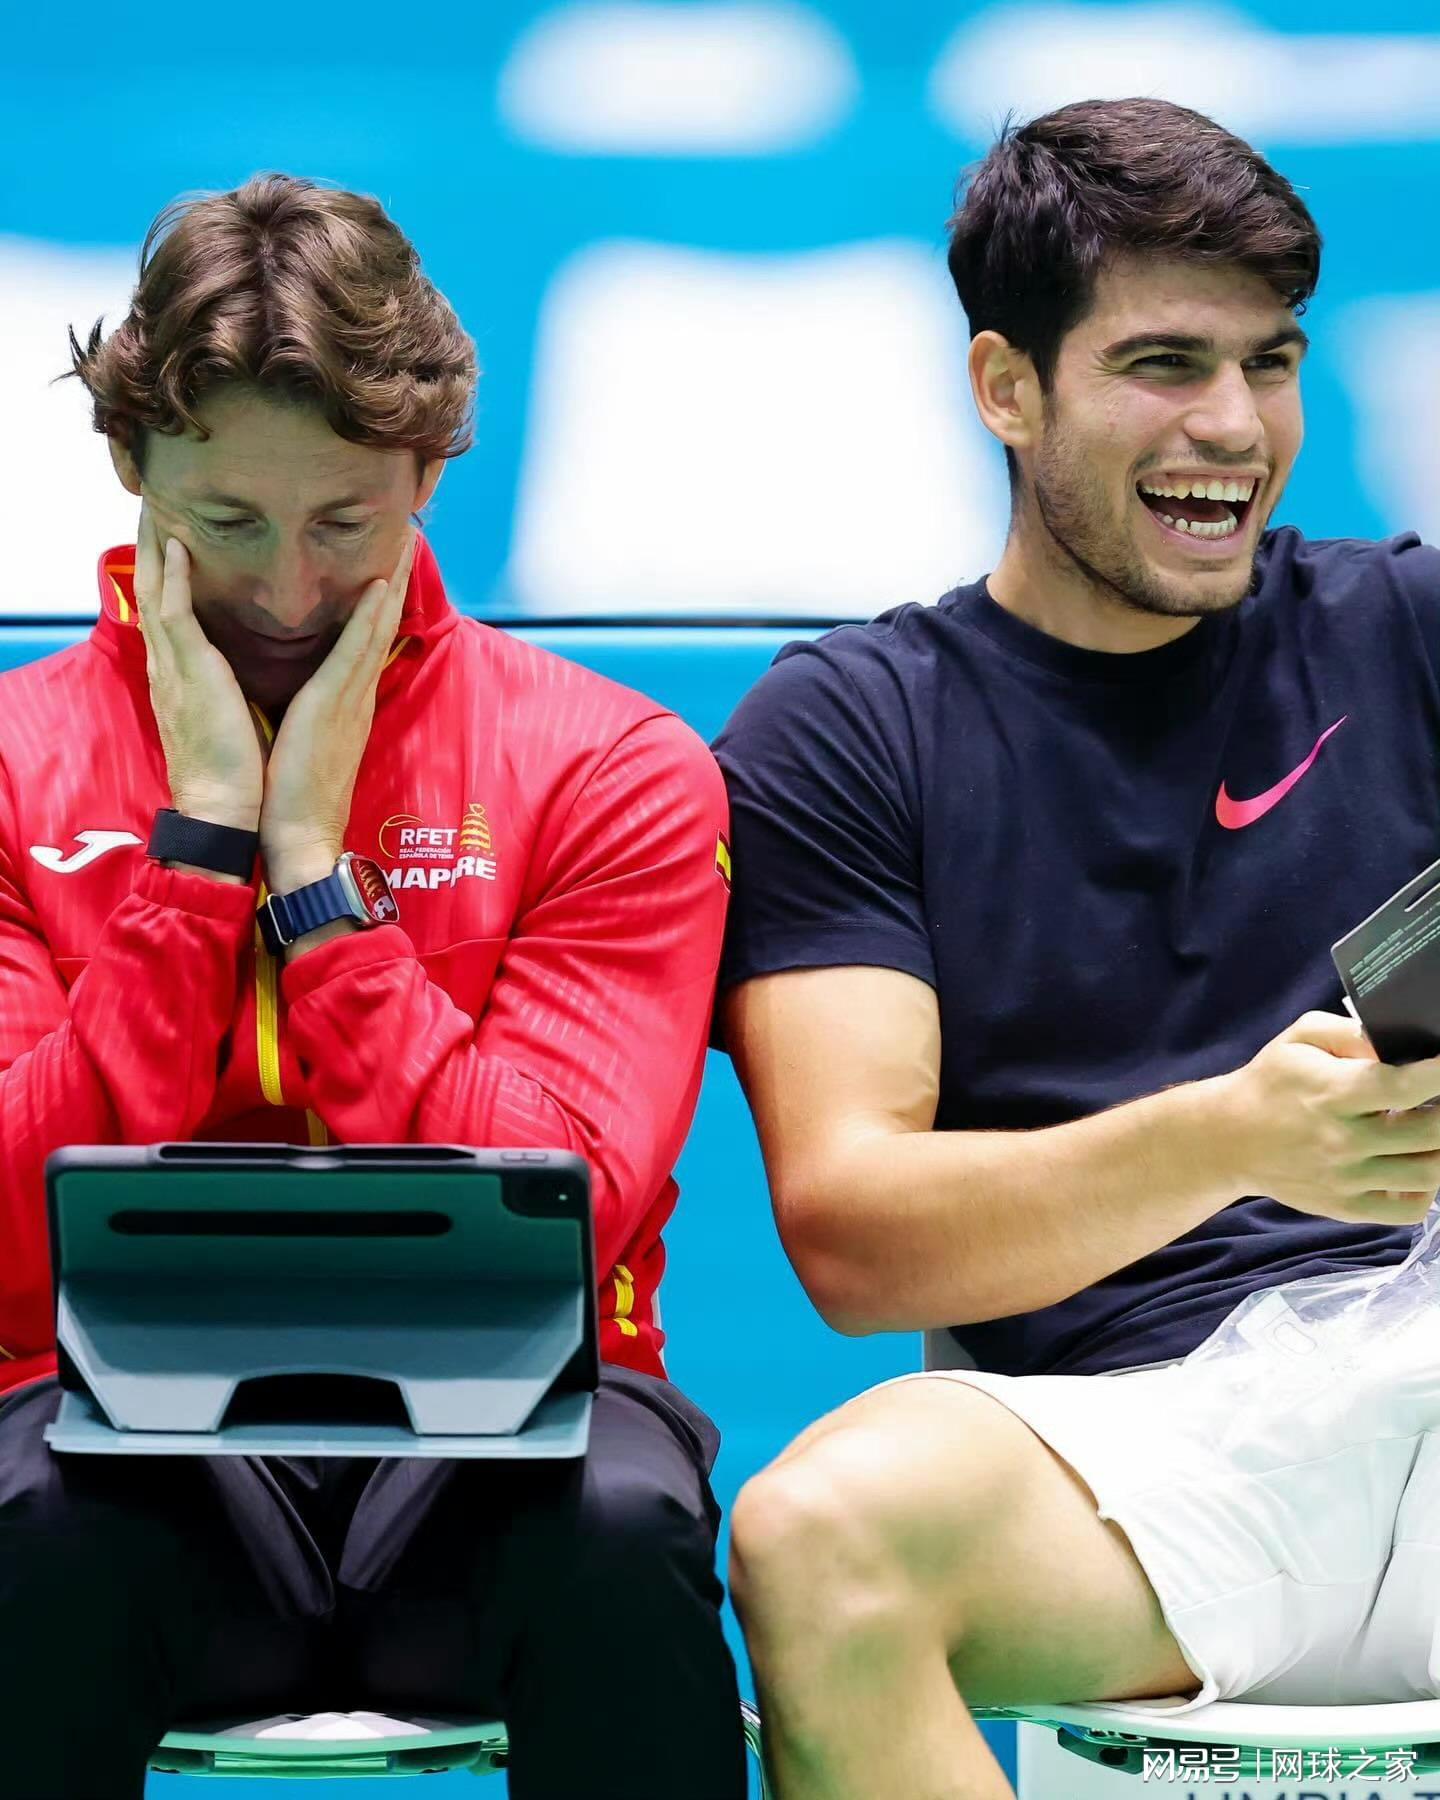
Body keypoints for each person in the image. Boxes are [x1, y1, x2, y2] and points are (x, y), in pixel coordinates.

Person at [713, 97, 1440, 1799]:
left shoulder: (1408, 626)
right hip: (1145, 1454)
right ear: (1007, 386)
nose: (1234, 426)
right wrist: (1235, 1138)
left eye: (1269, 363)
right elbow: (853, 1236)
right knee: (821, 1543)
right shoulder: (849, 731)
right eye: (1164, 365)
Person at [0, 173, 745, 1799]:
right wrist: (199, 858)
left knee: (622, 1528)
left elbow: (570, 1202)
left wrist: (318, 892)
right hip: (94, 1452)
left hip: (520, 1448)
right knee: (33, 1525)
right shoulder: (9, 765)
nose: (284, 593)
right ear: (131, 469)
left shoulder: (610, 765)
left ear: (430, 473)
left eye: (343, 524)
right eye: (226, 524)